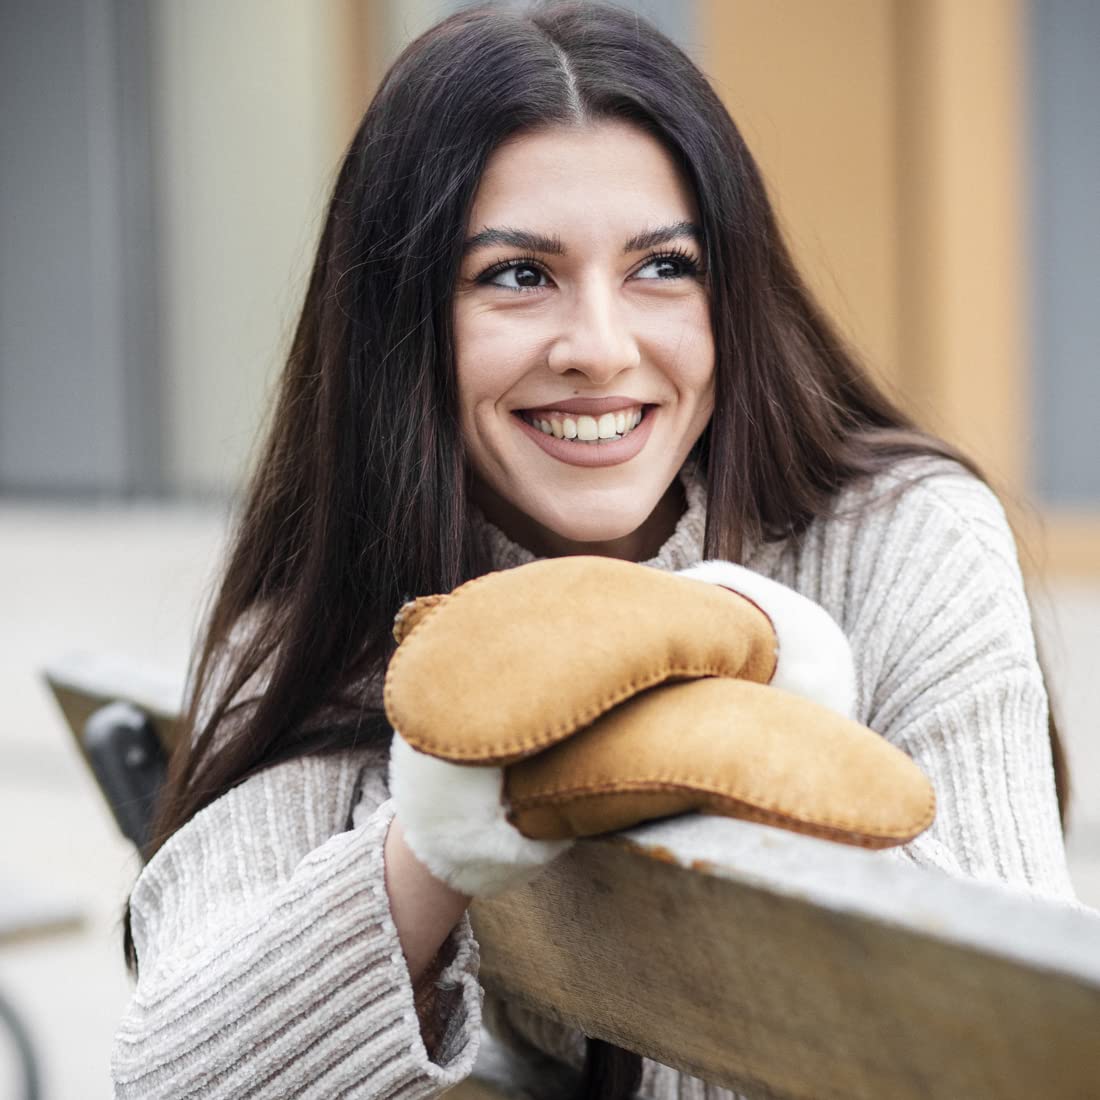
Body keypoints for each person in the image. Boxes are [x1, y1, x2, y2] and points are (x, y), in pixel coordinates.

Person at [110, 2, 1087, 1097]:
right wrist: (438, 839)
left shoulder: (895, 536)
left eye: (661, 266)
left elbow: (1018, 1041)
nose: (600, 348)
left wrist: (766, 723)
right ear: (398, 324)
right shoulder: (337, 609)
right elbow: (171, 1075)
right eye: (518, 275)